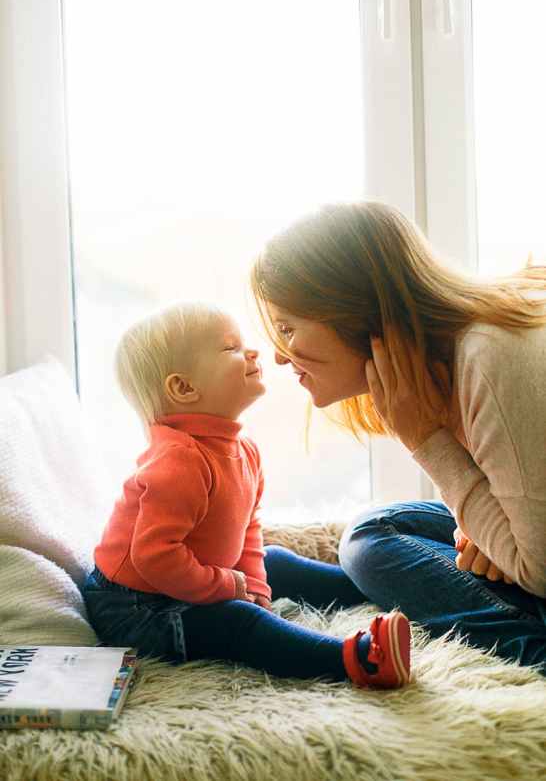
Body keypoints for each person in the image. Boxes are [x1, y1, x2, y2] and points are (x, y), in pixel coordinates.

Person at [250, 201, 546, 674]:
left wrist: (427, 441)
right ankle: (375, 588)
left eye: (288, 329)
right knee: (377, 529)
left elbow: (538, 569)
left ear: (351, 309)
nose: (282, 357)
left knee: (371, 542)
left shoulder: (487, 357)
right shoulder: (457, 356)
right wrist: (484, 531)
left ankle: (532, 649)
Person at [82, 301, 411, 690]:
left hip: (186, 577)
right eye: (230, 348)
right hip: (135, 607)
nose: (253, 351)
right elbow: (155, 558)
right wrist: (228, 587)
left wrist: (254, 584)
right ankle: (358, 659)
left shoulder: (244, 450)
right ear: (184, 388)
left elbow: (247, 529)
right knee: (237, 621)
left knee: (275, 561)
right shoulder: (178, 462)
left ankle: (383, 588)